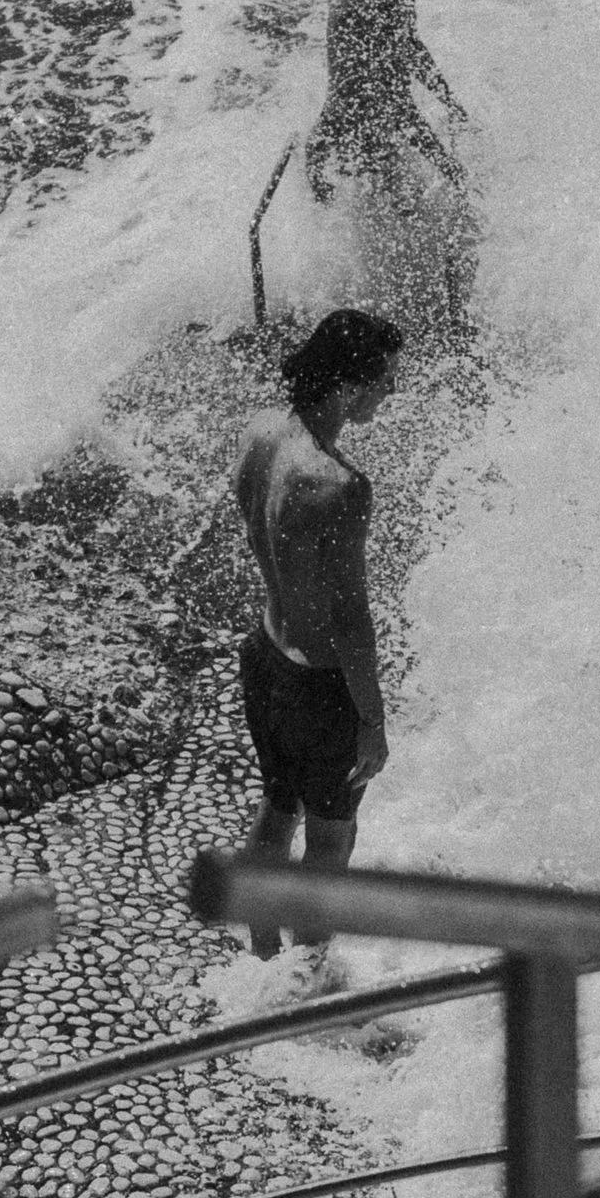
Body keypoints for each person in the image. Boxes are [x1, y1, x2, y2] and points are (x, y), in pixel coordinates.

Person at [229, 304, 405, 955]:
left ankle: (264, 949)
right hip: (318, 687)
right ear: (351, 385)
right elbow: (351, 624)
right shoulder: (340, 485)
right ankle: (305, 980)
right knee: (332, 840)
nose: (392, 392)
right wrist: (372, 719)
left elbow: (250, 514)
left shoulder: (262, 432)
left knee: (279, 808)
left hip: (264, 653)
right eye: (387, 380)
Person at [305, 0, 476, 340]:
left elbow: (407, 48)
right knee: (409, 240)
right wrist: (443, 160)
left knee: (393, 248)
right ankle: (410, 343)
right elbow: (390, 103)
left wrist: (447, 98)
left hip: (352, 132)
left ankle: (396, 335)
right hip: (356, 141)